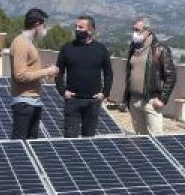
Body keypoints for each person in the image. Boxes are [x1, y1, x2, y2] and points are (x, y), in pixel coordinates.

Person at [55, 15, 113, 138]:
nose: (77, 29)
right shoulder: (67, 48)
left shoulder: (101, 49)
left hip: (93, 101)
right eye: (76, 27)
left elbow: (108, 73)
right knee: (70, 140)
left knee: (89, 139)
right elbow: (58, 72)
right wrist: (62, 91)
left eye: (81, 27)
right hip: (72, 101)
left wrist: (104, 93)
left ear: (91, 30)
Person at [10, 8, 60, 140]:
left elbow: (29, 70)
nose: (45, 28)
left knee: (31, 145)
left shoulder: (29, 43)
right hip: (24, 102)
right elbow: (20, 75)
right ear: (37, 24)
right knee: (19, 145)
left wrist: (44, 71)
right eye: (44, 25)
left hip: (33, 102)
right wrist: (46, 72)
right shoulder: (21, 43)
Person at [123, 16, 177, 136]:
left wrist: (162, 99)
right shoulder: (133, 48)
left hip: (151, 102)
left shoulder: (159, 49)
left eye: (138, 30)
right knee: (140, 139)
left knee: (156, 139)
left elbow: (171, 76)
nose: (135, 33)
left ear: (148, 31)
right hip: (134, 101)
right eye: (134, 30)